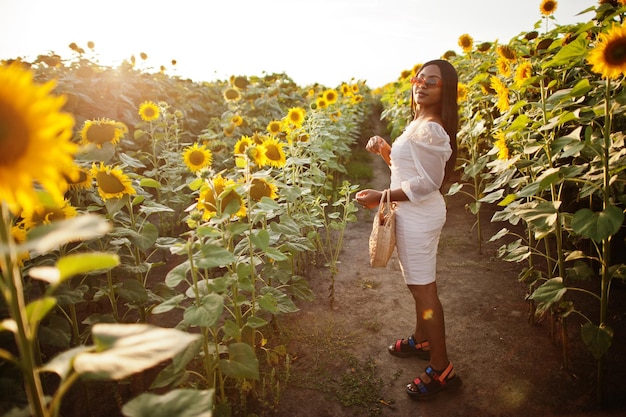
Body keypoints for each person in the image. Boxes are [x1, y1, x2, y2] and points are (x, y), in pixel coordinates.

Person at [355, 59, 461, 400]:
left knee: (424, 289)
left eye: (433, 81)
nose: (421, 84)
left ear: (445, 91)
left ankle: (442, 368)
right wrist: (387, 151)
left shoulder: (432, 127)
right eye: (419, 78)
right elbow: (409, 171)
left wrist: (381, 196)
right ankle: (422, 339)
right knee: (416, 285)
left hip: (420, 215)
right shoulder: (418, 120)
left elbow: (430, 183)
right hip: (411, 212)